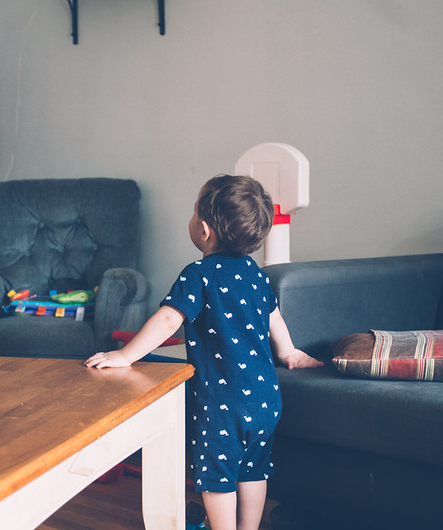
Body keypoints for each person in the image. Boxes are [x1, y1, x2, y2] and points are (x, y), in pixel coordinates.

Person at [85, 174, 323, 530]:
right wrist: (289, 352)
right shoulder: (256, 275)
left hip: (222, 403)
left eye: (195, 213)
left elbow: (168, 320)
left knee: (217, 476)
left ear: (205, 230)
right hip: (265, 398)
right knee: (253, 470)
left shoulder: (199, 274)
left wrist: (125, 356)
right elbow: (275, 319)